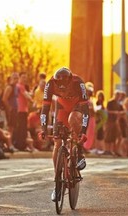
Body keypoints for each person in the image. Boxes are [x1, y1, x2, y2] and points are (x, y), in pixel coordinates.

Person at [39, 67, 89, 202]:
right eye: (59, 87)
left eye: (64, 87)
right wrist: (43, 129)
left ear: (70, 80)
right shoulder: (50, 84)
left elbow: (86, 110)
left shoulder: (78, 82)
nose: (62, 90)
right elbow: (45, 109)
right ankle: (57, 183)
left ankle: (78, 152)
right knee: (57, 142)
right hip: (61, 107)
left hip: (77, 106)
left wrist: (83, 132)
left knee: (73, 119)